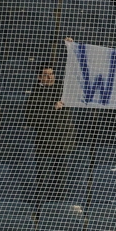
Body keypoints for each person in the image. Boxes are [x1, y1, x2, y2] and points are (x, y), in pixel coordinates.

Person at [23, 64, 73, 204]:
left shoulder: (62, 89)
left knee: (60, 180)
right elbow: (30, 117)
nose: (50, 77)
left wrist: (70, 45)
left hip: (62, 143)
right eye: (46, 74)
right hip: (45, 144)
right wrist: (53, 109)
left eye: (51, 74)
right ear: (39, 77)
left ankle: (58, 208)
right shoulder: (35, 94)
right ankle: (41, 208)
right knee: (43, 178)